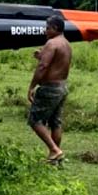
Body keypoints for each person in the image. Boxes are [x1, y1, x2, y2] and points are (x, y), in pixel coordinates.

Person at [27, 15, 72, 163]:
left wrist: (32, 85)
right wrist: (41, 56)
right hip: (62, 86)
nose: (45, 30)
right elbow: (56, 63)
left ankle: (54, 150)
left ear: (55, 28)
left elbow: (43, 66)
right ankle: (54, 158)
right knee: (55, 122)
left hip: (50, 88)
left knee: (35, 120)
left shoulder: (51, 43)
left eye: (47, 28)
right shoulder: (66, 44)